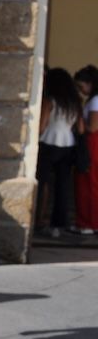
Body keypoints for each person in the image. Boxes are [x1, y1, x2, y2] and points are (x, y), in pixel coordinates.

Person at [36, 67, 83, 238]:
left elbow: (42, 126)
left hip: (49, 142)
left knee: (42, 182)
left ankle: (38, 219)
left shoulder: (50, 101)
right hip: (68, 144)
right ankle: (59, 224)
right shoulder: (75, 103)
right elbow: (81, 128)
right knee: (63, 186)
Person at [73, 65, 98, 235]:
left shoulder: (95, 101)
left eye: (81, 86)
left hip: (92, 143)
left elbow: (93, 127)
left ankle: (88, 222)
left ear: (90, 84)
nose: (80, 91)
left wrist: (79, 120)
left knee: (88, 183)